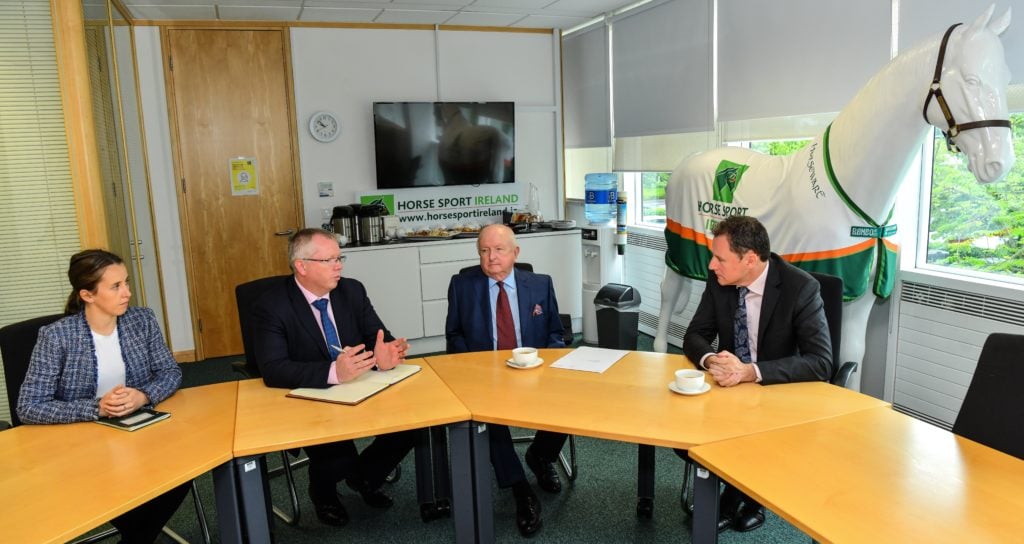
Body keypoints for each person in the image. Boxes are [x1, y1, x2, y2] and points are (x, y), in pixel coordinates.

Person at [18, 249, 189, 543]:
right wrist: (97, 408)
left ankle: (137, 538)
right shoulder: (57, 336)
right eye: (116, 286)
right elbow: (29, 407)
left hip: (139, 433)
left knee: (186, 464)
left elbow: (170, 372)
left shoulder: (141, 320)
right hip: (83, 444)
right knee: (123, 486)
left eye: (126, 283)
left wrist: (143, 395)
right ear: (87, 294)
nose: (128, 292)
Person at [249, 228, 416, 527]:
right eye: (330, 260)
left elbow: (379, 337)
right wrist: (332, 372)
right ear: (302, 266)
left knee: (415, 424)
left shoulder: (352, 290)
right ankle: (323, 491)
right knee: (339, 456)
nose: (339, 266)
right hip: (310, 396)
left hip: (361, 386)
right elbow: (273, 369)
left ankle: (363, 479)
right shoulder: (270, 305)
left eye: (340, 258)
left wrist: (387, 355)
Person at [682, 215, 832, 533]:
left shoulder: (801, 289)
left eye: (720, 258)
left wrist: (750, 372)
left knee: (748, 435)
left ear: (750, 259)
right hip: (727, 390)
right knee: (681, 437)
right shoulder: (720, 282)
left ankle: (737, 501)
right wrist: (711, 360)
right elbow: (694, 335)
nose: (712, 266)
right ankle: (739, 493)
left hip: (776, 392)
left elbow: (821, 362)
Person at [444, 223, 567, 537]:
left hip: (535, 371)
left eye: (498, 250)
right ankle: (520, 489)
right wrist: (475, 367)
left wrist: (549, 363)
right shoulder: (462, 285)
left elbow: (555, 334)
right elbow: (454, 336)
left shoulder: (540, 284)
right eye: (484, 251)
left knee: (568, 403)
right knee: (488, 419)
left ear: (516, 253)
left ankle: (540, 457)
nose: (491, 258)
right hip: (485, 377)